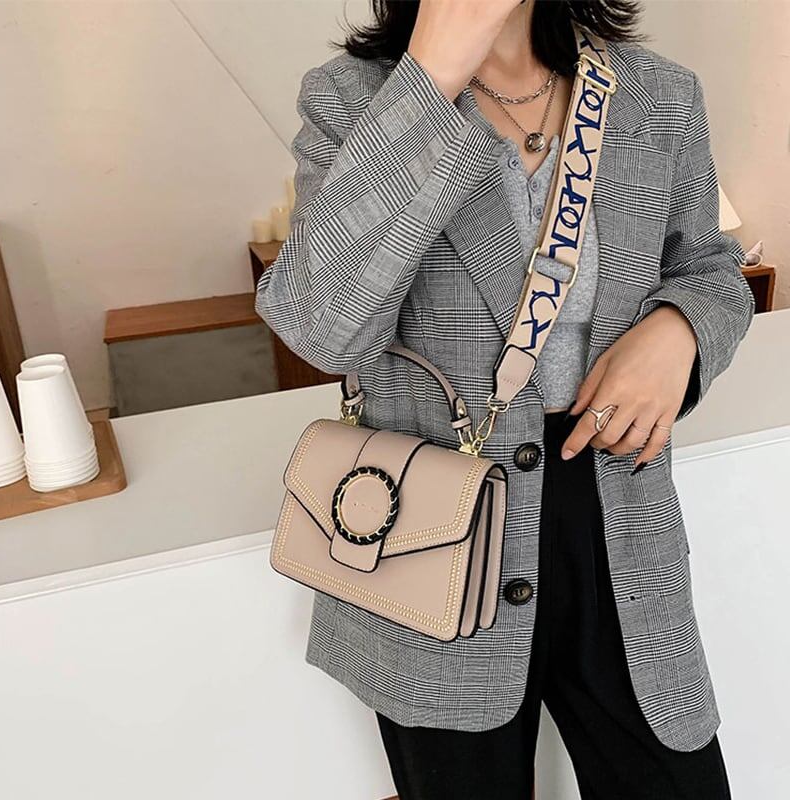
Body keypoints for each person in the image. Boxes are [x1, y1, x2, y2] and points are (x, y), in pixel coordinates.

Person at [255, 1, 755, 797]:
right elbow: (322, 329)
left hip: (619, 523)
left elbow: (710, 269)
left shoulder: (658, 94)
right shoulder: (353, 98)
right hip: (431, 538)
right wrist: (430, 80)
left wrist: (680, 329)